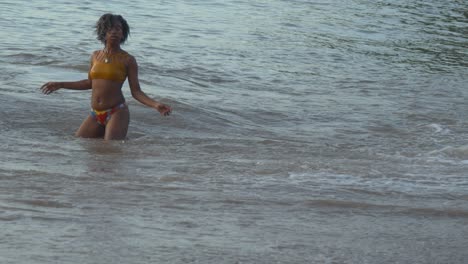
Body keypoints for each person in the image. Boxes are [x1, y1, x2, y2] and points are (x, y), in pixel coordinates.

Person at [41, 13, 172, 140]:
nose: (114, 32)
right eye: (110, 29)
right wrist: (60, 84)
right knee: (79, 142)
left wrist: (155, 104)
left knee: (111, 151)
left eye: (118, 29)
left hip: (117, 112)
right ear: (103, 33)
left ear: (123, 34)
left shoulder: (128, 60)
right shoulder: (95, 56)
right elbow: (89, 83)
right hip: (95, 113)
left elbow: (136, 91)